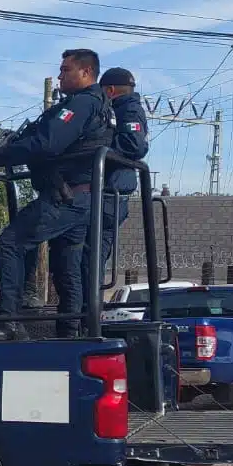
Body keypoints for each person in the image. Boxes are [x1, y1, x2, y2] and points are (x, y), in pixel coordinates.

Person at [0, 48, 114, 339]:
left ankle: (9, 321)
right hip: (83, 198)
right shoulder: (98, 105)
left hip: (67, 198)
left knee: (10, 242)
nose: (60, 75)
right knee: (67, 267)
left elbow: (47, 143)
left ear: (86, 72)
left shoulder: (82, 104)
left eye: (66, 70)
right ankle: (71, 332)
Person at [85, 67, 150, 304]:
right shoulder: (117, 109)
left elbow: (134, 145)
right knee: (86, 255)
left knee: (93, 256)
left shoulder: (128, 109)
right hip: (106, 192)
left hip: (112, 194)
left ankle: (88, 312)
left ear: (110, 90)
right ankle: (85, 308)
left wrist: (96, 149)